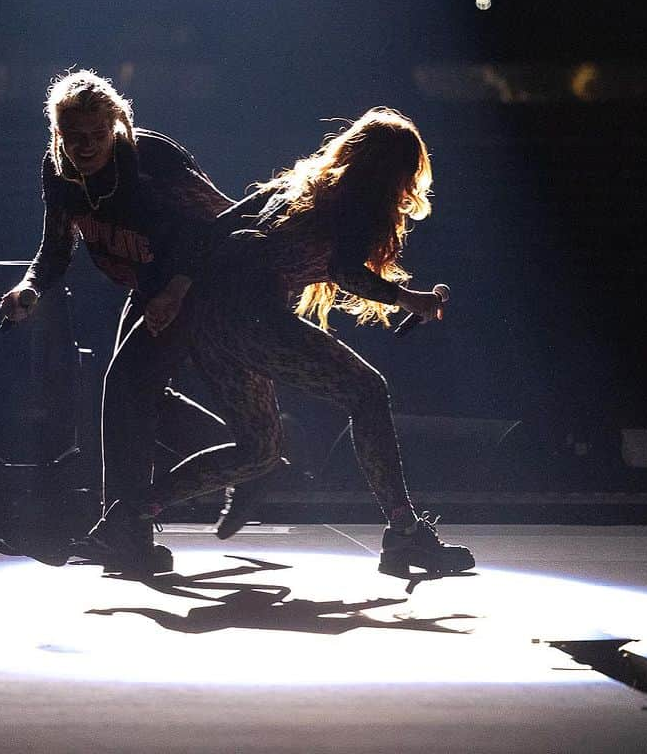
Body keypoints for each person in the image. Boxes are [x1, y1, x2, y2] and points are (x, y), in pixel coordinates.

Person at [84, 107, 475, 578]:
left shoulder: (302, 185)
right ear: (398, 171)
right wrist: (408, 299)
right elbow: (344, 272)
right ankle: (404, 534)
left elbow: (215, 229)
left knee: (259, 448)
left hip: (212, 321)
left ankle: (126, 517)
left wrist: (181, 290)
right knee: (366, 392)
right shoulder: (356, 202)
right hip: (252, 315)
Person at [0, 68, 267, 574]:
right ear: (58, 133)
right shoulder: (59, 173)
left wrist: (178, 286)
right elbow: (55, 250)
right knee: (137, 395)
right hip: (150, 288)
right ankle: (250, 461)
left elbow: (221, 222)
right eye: (73, 137)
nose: (85, 147)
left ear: (115, 126)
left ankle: (128, 532)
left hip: (198, 284)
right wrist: (29, 288)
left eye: (96, 136)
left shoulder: (152, 161)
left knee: (123, 387)